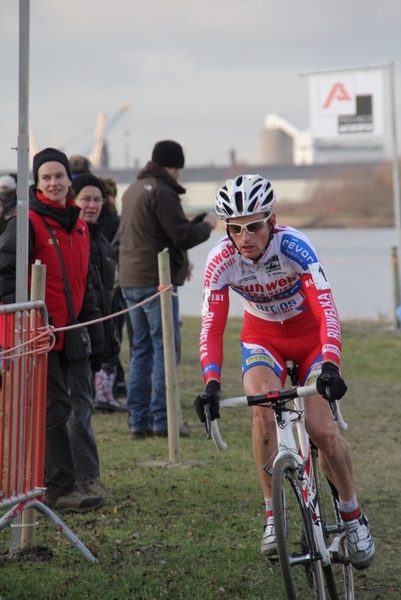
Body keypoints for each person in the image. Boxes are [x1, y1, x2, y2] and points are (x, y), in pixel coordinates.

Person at [194, 174, 375, 570]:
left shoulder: (294, 246)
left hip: (310, 339)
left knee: (322, 430)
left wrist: (329, 362)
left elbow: (326, 308)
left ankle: (350, 512)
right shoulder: (221, 260)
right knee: (262, 411)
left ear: (271, 220)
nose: (245, 236)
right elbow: (212, 324)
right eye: (235, 228)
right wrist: (210, 382)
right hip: (263, 340)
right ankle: (273, 515)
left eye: (254, 225)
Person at [0, 148, 105, 513]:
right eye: (46, 177)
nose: (54, 182)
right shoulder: (27, 221)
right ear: (37, 182)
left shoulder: (77, 223)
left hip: (72, 332)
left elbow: (84, 283)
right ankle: (58, 490)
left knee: (73, 407)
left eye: (59, 176)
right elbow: (6, 275)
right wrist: (26, 323)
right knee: (53, 409)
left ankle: (65, 482)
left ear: (69, 180)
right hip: (38, 334)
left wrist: (96, 333)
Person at [119, 139, 217, 439]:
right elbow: (182, 236)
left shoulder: (134, 189)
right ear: (173, 167)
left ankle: (138, 421)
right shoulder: (162, 192)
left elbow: (159, 232)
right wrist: (208, 225)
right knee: (164, 351)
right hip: (156, 282)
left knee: (140, 351)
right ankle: (163, 421)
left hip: (130, 280)